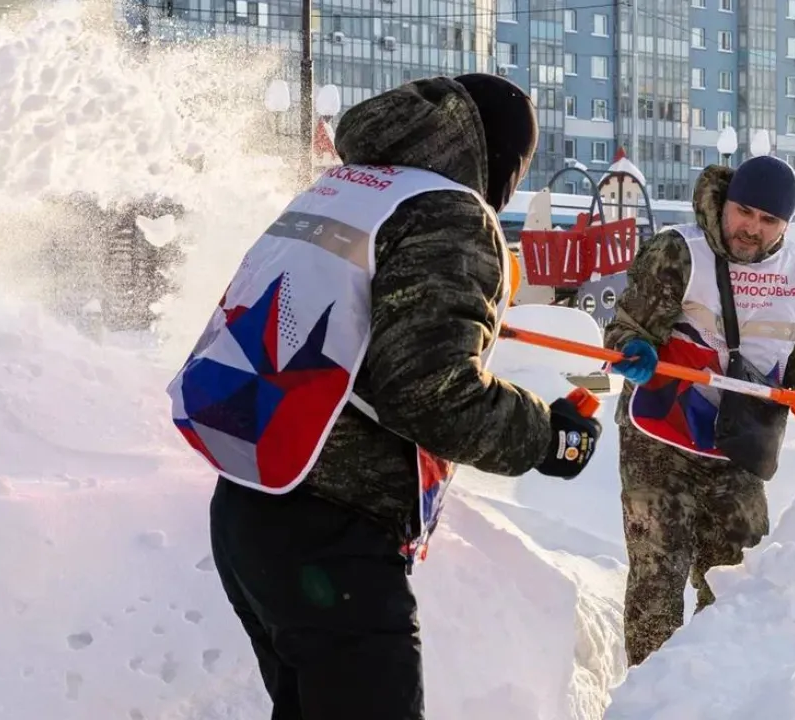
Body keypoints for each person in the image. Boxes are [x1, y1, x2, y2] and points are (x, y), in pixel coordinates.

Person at [165, 74, 603, 719]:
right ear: (501, 158)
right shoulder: (449, 212)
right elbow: (429, 393)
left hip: (252, 506)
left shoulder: (351, 189)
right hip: (333, 529)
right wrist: (548, 435)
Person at [603, 156, 795, 667]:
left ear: (787, 224)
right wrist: (635, 349)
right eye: (745, 211)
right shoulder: (679, 251)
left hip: (736, 443)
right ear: (727, 202)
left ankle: (722, 691)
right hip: (661, 438)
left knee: (741, 581)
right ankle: (651, 699)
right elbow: (626, 326)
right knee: (658, 578)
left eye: (769, 221)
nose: (752, 229)